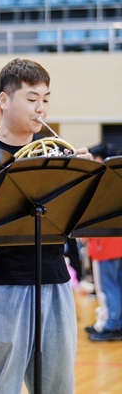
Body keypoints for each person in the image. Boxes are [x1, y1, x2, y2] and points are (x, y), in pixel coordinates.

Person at [0, 58, 92, 393]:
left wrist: (83, 179)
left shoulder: (58, 156)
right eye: (32, 98)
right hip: (2, 283)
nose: (41, 108)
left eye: (46, 99)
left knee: (58, 387)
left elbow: (74, 219)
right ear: (4, 100)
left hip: (54, 279)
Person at [84, 144, 122, 342]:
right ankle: (114, 322)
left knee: (107, 288)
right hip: (115, 242)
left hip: (106, 244)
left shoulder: (104, 182)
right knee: (116, 286)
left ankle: (111, 324)